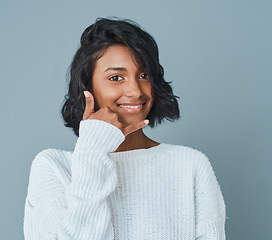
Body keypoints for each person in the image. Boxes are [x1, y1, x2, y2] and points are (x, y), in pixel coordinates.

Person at [23, 17, 226, 240]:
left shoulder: (190, 165)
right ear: (87, 88)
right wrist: (92, 152)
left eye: (143, 75)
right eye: (116, 77)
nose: (135, 90)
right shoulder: (54, 167)